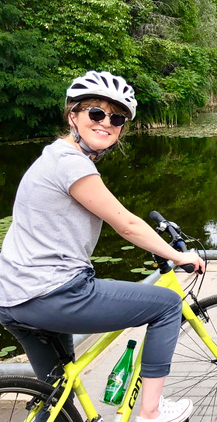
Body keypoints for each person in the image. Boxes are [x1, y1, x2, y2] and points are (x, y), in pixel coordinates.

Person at [0, 71, 205, 422]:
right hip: (55, 292)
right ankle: (151, 413)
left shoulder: (53, 157)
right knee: (168, 305)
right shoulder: (70, 163)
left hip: (15, 297)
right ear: (73, 116)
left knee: (58, 399)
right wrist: (177, 255)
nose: (106, 123)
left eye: (117, 118)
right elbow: (125, 223)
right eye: (96, 113)